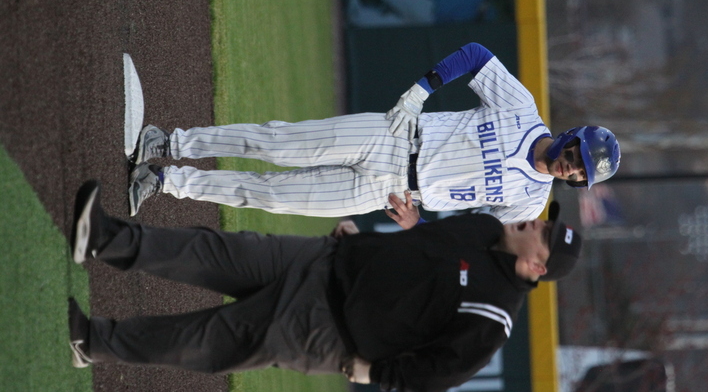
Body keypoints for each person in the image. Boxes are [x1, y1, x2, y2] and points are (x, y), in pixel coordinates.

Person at [68, 180, 583, 392]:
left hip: (325, 330)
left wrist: (375, 372)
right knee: (213, 250)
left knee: (206, 339)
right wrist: (365, 242)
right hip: (325, 257)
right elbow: (426, 252)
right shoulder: (484, 228)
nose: (537, 223)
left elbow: (438, 373)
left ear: (538, 268)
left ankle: (94, 342)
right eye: (546, 220)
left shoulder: (495, 316)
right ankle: (102, 239)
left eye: (545, 235)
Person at [128, 42, 621, 224]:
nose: (571, 168)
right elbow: (475, 55)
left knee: (273, 197)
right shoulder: (523, 110)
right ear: (573, 136)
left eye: (579, 174)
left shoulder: (531, 203)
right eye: (577, 156)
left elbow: (473, 236)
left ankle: (165, 183)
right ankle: (169, 143)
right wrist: (421, 91)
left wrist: (417, 224)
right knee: (273, 142)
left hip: (394, 192)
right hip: (394, 135)